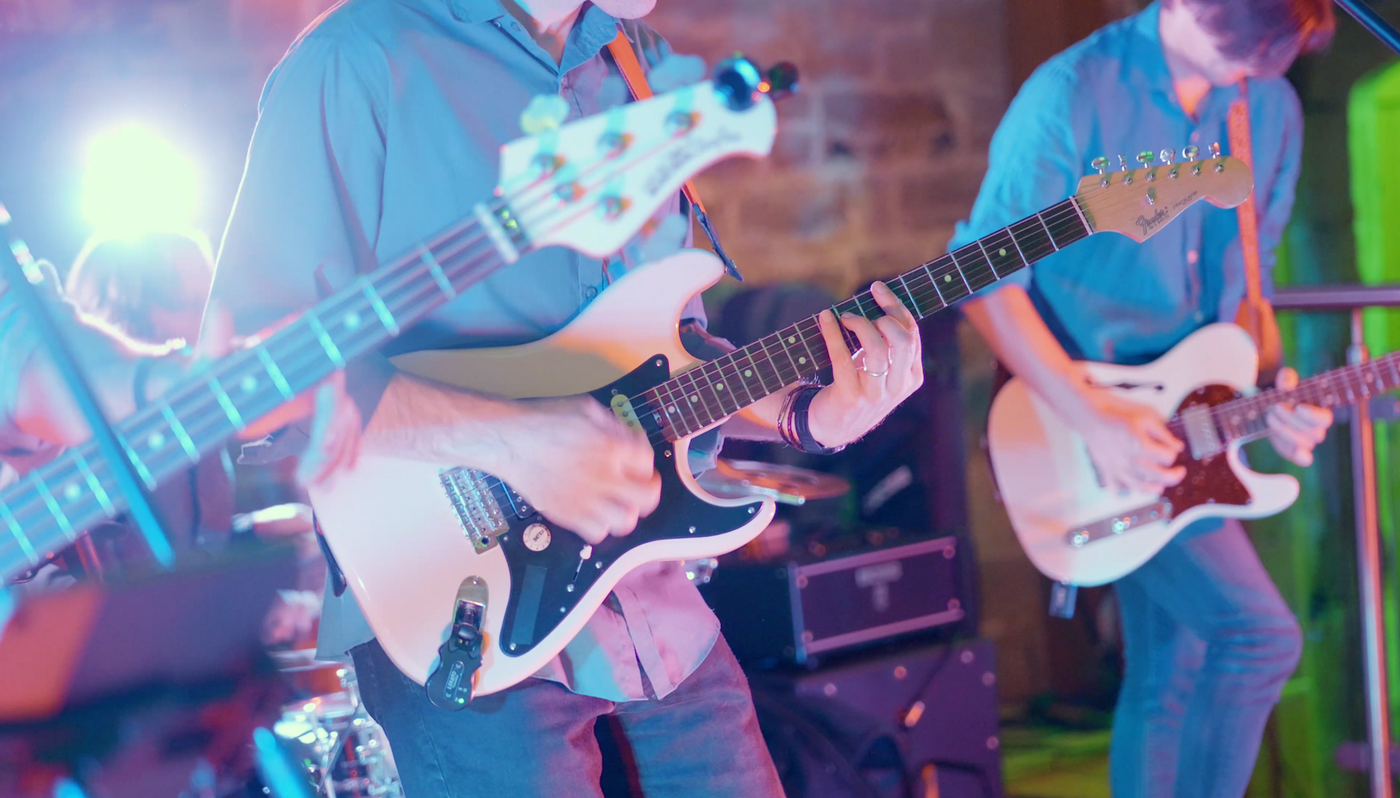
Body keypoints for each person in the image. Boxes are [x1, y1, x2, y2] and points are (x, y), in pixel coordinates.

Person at [206, 0, 924, 794]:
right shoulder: (355, 59)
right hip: (458, 610)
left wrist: (799, 411)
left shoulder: (634, 59)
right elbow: (257, 378)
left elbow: (659, 361)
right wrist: (516, 440)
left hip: (652, 600)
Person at [953, 1, 1334, 796]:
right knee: (1257, 637)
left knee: (1172, 669)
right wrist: (1095, 417)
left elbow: (1246, 292)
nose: (1252, 70)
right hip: (1084, 424)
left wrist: (1274, 392)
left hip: (1195, 422)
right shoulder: (1072, 92)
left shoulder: (1269, 104)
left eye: (1273, 54)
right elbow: (985, 280)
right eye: (1241, 47)